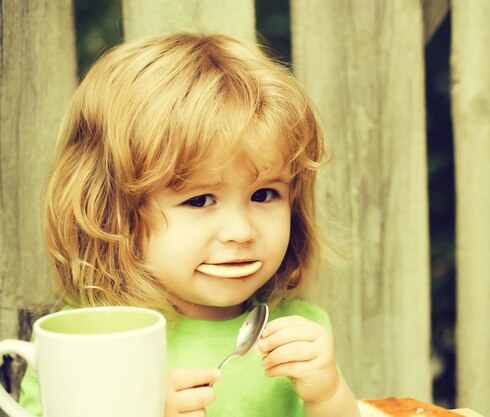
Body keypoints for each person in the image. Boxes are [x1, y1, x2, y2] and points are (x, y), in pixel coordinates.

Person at [19, 32, 361, 417]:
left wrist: (328, 395)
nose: (242, 231)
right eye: (198, 200)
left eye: (264, 195)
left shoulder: (298, 330)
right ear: (112, 213)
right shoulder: (86, 341)